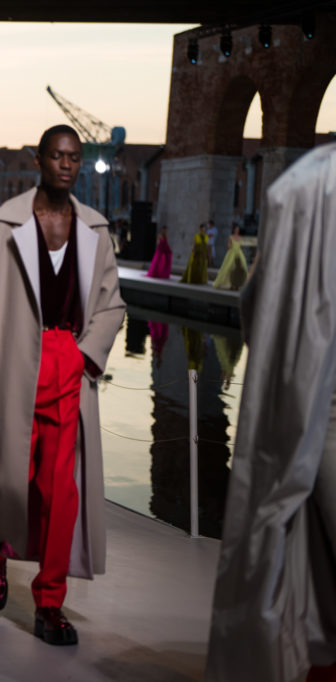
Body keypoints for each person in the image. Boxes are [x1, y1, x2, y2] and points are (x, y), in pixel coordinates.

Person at [0, 125, 125, 646]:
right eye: (57, 155)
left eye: (74, 157)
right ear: (39, 159)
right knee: (7, 477)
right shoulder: (2, 225)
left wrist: (85, 355)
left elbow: (113, 304)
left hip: (66, 363)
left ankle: (50, 604)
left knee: (60, 494)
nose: (66, 165)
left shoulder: (95, 229)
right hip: (11, 366)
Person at [206, 144, 336, 682]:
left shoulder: (304, 184)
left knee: (306, 570)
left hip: (309, 404)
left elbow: (256, 301)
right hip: (324, 414)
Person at [212, 224, 248, 290]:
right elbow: (228, 246)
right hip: (232, 253)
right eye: (236, 229)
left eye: (238, 229)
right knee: (228, 268)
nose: (237, 230)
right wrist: (230, 245)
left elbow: (241, 246)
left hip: (239, 254)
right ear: (234, 230)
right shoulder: (230, 237)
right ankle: (230, 284)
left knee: (241, 268)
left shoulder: (240, 237)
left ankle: (238, 284)